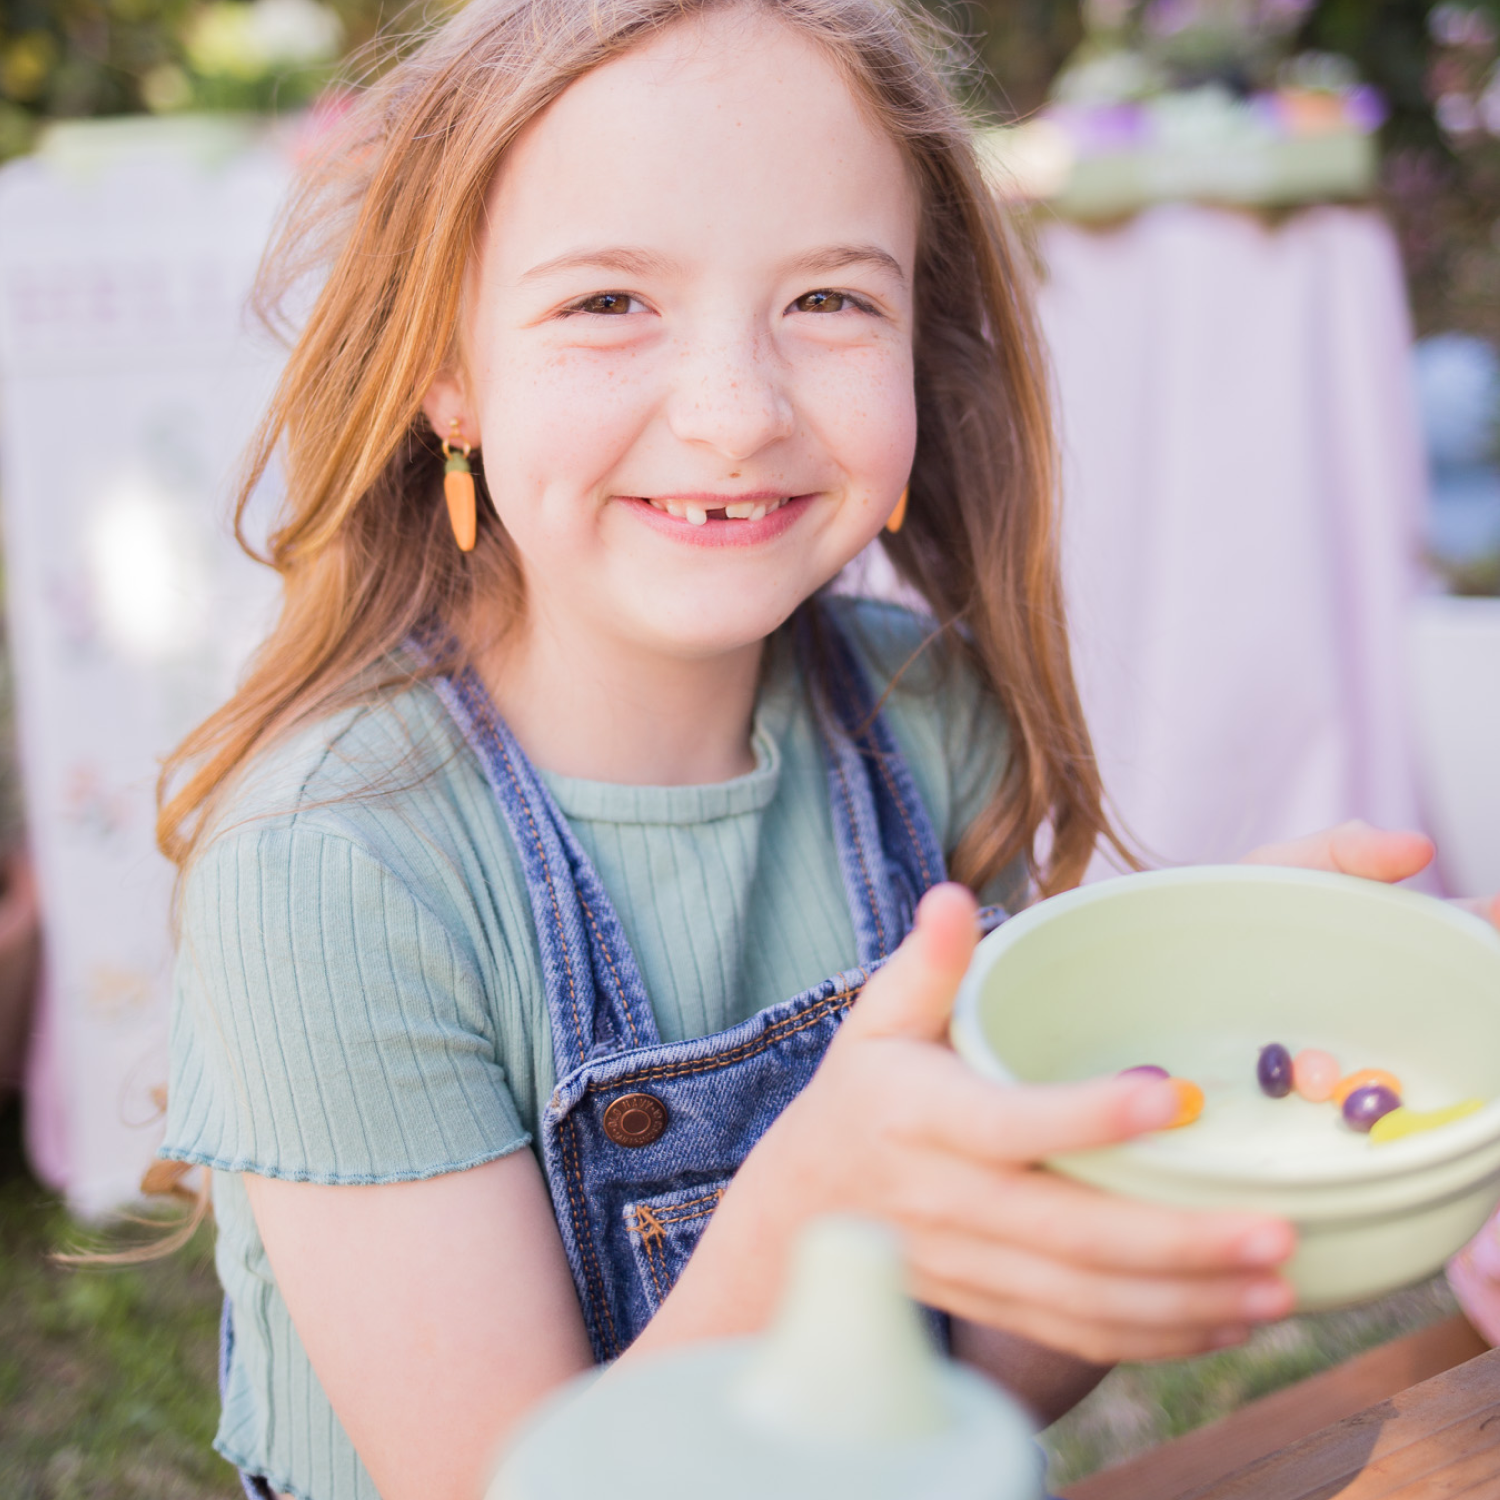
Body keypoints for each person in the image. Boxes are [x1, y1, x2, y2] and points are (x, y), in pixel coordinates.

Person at [152, 2, 1469, 1497]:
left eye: (831, 301)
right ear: (444, 370)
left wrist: (1191, 1117)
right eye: (606, 303)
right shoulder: (330, 874)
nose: (735, 413)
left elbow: (962, 1375)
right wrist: (808, 1200)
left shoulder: (927, 720)